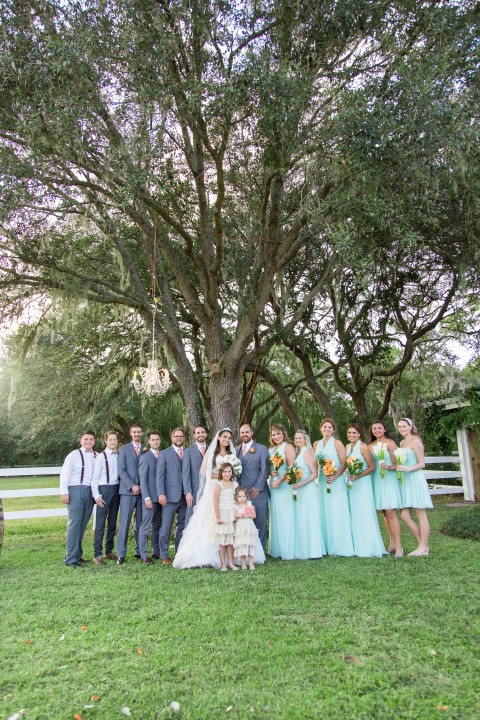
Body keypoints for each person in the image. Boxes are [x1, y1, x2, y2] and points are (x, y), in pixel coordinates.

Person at [173, 428, 265, 569]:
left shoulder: (232, 454)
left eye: (229, 438)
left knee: (231, 524)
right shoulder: (212, 453)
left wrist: (231, 476)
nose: (226, 440)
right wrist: (220, 477)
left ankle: (234, 558)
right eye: (224, 437)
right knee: (212, 523)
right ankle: (211, 557)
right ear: (219, 438)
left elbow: (234, 472)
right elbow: (203, 472)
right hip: (215, 488)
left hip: (229, 491)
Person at [313, 419, 354, 557]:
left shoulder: (337, 443)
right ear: (321, 428)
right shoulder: (316, 444)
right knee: (324, 511)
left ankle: (339, 546)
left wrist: (334, 476)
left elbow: (344, 463)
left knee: (336, 510)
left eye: (330, 427)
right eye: (324, 427)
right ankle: (325, 545)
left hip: (335, 481)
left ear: (333, 430)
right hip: (322, 480)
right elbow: (315, 463)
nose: (327, 429)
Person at [345, 424, 386, 557]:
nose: (351, 435)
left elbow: (371, 466)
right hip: (352, 483)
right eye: (349, 433)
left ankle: (369, 546)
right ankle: (356, 544)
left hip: (362, 483)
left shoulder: (363, 447)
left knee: (364, 511)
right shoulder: (347, 447)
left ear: (359, 434)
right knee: (354, 512)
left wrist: (358, 476)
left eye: (354, 433)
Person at [396, 418, 433, 556]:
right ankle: (422, 545)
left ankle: (423, 547)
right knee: (404, 515)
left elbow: (422, 463)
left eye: (404, 426)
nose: (402, 429)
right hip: (405, 481)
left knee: (420, 513)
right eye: (399, 427)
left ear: (410, 426)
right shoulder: (402, 443)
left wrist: (407, 469)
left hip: (415, 478)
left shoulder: (416, 441)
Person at [60, 430, 97, 567]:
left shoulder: (96, 455)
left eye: (91, 439)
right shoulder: (74, 455)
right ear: (81, 441)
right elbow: (65, 474)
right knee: (74, 524)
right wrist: (64, 492)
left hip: (89, 491)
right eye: (86, 439)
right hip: (75, 489)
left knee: (82, 524)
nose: (88, 441)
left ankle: (77, 555)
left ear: (94, 441)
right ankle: (70, 558)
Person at [369, 420, 403, 557]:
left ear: (384, 430)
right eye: (374, 428)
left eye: (379, 428)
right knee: (384, 512)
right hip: (376, 479)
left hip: (388, 479)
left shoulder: (390, 443)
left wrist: (388, 467)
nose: (377, 430)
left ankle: (399, 545)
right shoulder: (370, 445)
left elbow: (397, 463)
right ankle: (392, 543)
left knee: (391, 511)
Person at [292, 430, 325, 559]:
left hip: (308, 489)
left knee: (309, 517)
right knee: (303, 518)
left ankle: (313, 550)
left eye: (300, 438)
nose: (298, 440)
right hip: (300, 489)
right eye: (296, 438)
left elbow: (314, 474)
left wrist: (301, 484)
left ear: (305, 439)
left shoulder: (306, 452)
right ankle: (304, 548)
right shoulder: (300, 452)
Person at [157, 428, 188, 564]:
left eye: (181, 436)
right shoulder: (164, 453)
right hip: (169, 496)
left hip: (185, 496)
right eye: (176, 436)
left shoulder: (187, 452)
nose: (179, 438)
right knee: (166, 527)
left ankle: (179, 553)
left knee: (182, 526)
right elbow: (159, 476)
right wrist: (161, 493)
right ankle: (164, 554)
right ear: (172, 437)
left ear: (184, 438)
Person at [237, 424, 270, 550]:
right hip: (242, 495)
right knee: (244, 523)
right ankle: (246, 550)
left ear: (252, 433)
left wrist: (258, 487)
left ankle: (260, 551)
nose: (244, 434)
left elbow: (265, 469)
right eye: (242, 432)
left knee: (259, 522)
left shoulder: (262, 449)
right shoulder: (236, 449)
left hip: (257, 492)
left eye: (247, 432)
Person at [91, 430, 120, 564]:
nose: (113, 442)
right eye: (110, 440)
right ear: (106, 441)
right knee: (100, 523)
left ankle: (108, 550)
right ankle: (97, 554)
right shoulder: (101, 457)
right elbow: (95, 478)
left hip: (116, 489)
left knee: (112, 522)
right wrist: (96, 495)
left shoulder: (119, 455)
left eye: (115, 439)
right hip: (104, 489)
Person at [117, 423, 144, 564]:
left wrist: (142, 487)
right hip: (127, 492)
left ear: (142, 433)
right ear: (131, 433)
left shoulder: (146, 449)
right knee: (124, 523)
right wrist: (132, 486)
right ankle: (121, 554)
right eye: (134, 432)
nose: (137, 434)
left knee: (140, 523)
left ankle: (139, 551)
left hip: (143, 492)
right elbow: (121, 470)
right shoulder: (124, 449)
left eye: (139, 432)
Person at [268, 424, 296, 560]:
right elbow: (269, 467)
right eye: (273, 434)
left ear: (284, 434)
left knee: (285, 515)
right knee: (276, 515)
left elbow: (292, 468)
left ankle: (287, 548)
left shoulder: (288, 447)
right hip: (273, 485)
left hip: (284, 485)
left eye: (278, 434)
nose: (276, 436)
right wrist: (270, 472)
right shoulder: (271, 449)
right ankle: (277, 548)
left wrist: (280, 480)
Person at [138, 430, 162, 565]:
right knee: (145, 526)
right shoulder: (145, 457)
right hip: (150, 497)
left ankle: (156, 551)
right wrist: (146, 497)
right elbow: (143, 480)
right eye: (153, 440)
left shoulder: (162, 455)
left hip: (161, 498)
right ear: (148, 441)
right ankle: (144, 555)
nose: (155, 442)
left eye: (157, 439)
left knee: (157, 525)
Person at [214, 462, 239, 572]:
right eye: (225, 472)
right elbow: (215, 501)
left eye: (229, 471)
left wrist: (237, 513)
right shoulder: (218, 484)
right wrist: (218, 516)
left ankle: (231, 563)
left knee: (230, 541)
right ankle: (223, 564)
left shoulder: (235, 484)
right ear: (221, 473)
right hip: (223, 514)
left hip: (232, 515)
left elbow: (237, 500)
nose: (227, 474)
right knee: (222, 541)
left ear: (232, 472)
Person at [182, 426, 208, 527]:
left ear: (206, 434)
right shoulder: (188, 451)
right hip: (193, 493)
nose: (200, 434)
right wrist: (188, 492)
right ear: (194, 435)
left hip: (209, 491)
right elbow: (186, 473)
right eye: (198, 433)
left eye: (202, 432)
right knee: (190, 521)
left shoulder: (213, 449)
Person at [233, 486, 259, 572]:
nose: (242, 498)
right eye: (240, 496)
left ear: (246, 496)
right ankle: (243, 563)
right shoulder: (236, 506)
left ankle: (251, 563)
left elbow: (254, 516)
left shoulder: (249, 504)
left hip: (249, 527)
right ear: (236, 497)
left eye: (244, 496)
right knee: (242, 544)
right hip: (240, 528)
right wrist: (237, 516)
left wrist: (247, 515)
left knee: (249, 544)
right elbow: (234, 519)